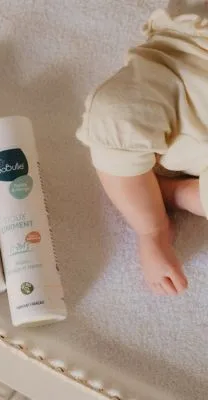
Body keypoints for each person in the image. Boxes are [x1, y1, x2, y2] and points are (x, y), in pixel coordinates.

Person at [76, 9, 208, 295]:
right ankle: (153, 226)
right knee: (113, 115)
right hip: (187, 53)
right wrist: (151, 230)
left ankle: (177, 194)